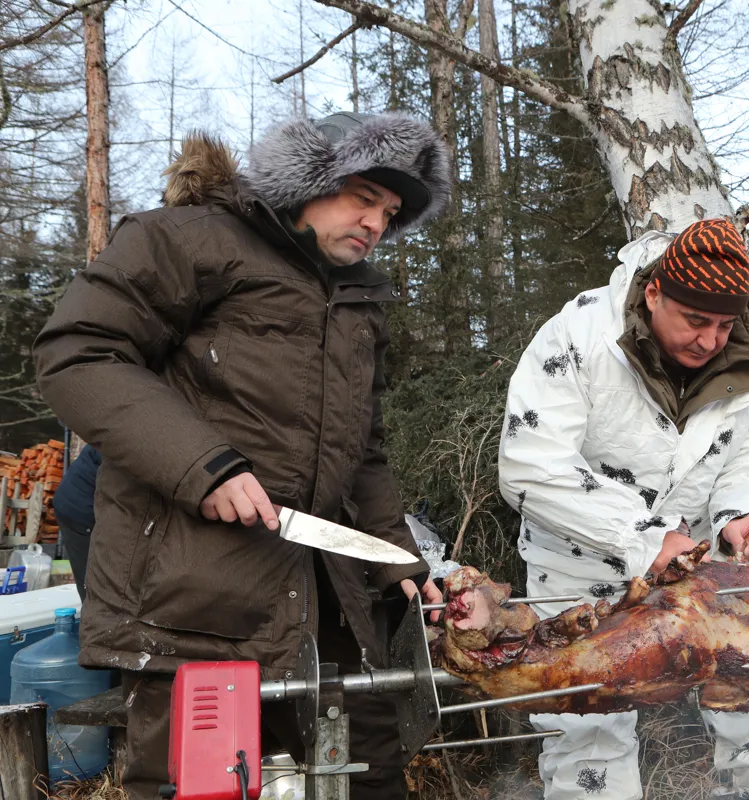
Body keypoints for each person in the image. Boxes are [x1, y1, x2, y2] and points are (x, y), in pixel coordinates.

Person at [33, 111, 451, 800]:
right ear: (310, 179)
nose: (376, 222)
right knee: (203, 784)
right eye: (362, 197)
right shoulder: (188, 239)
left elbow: (364, 450)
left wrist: (393, 557)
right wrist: (203, 465)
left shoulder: (357, 295)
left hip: (328, 595)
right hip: (192, 589)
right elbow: (78, 352)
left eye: (391, 210)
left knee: (370, 772)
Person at [498, 218, 749, 800]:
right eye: (695, 321)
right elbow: (529, 464)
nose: (710, 341)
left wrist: (744, 513)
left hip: (704, 571)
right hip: (580, 562)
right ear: (653, 293)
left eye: (724, 325)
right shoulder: (578, 334)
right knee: (587, 734)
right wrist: (643, 537)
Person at [50, 443, 102, 601]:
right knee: (93, 582)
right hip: (81, 509)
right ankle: (94, 620)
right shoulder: (128, 437)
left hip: (76, 501)